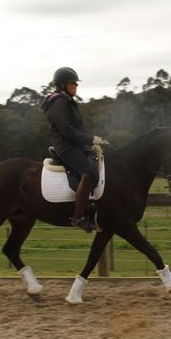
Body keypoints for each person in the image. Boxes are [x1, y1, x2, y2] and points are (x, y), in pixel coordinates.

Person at [41, 67, 110, 232]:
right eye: (73, 83)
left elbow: (79, 128)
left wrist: (94, 142)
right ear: (62, 85)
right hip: (66, 148)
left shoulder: (67, 101)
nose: (76, 86)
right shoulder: (60, 103)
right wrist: (91, 140)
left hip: (75, 145)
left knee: (94, 166)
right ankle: (78, 217)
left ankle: (91, 210)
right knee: (88, 174)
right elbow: (67, 130)